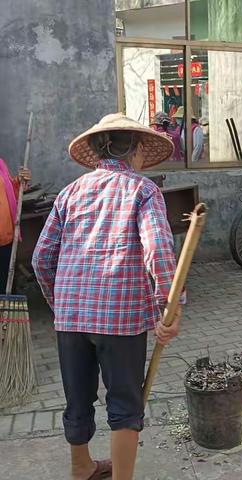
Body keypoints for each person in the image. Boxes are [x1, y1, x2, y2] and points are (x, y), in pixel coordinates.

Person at [32, 113, 182, 480]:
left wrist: (61, 305)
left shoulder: (71, 192)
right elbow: (159, 252)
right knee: (125, 404)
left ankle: (81, 467)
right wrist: (170, 306)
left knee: (77, 396)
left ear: (100, 150)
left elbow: (41, 259)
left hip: (71, 318)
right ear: (133, 151)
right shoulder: (143, 190)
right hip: (122, 317)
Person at [0, 158, 31, 293]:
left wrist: (19, 181)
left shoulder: (0, 164)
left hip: (5, 235)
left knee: (5, 283)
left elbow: (9, 191)